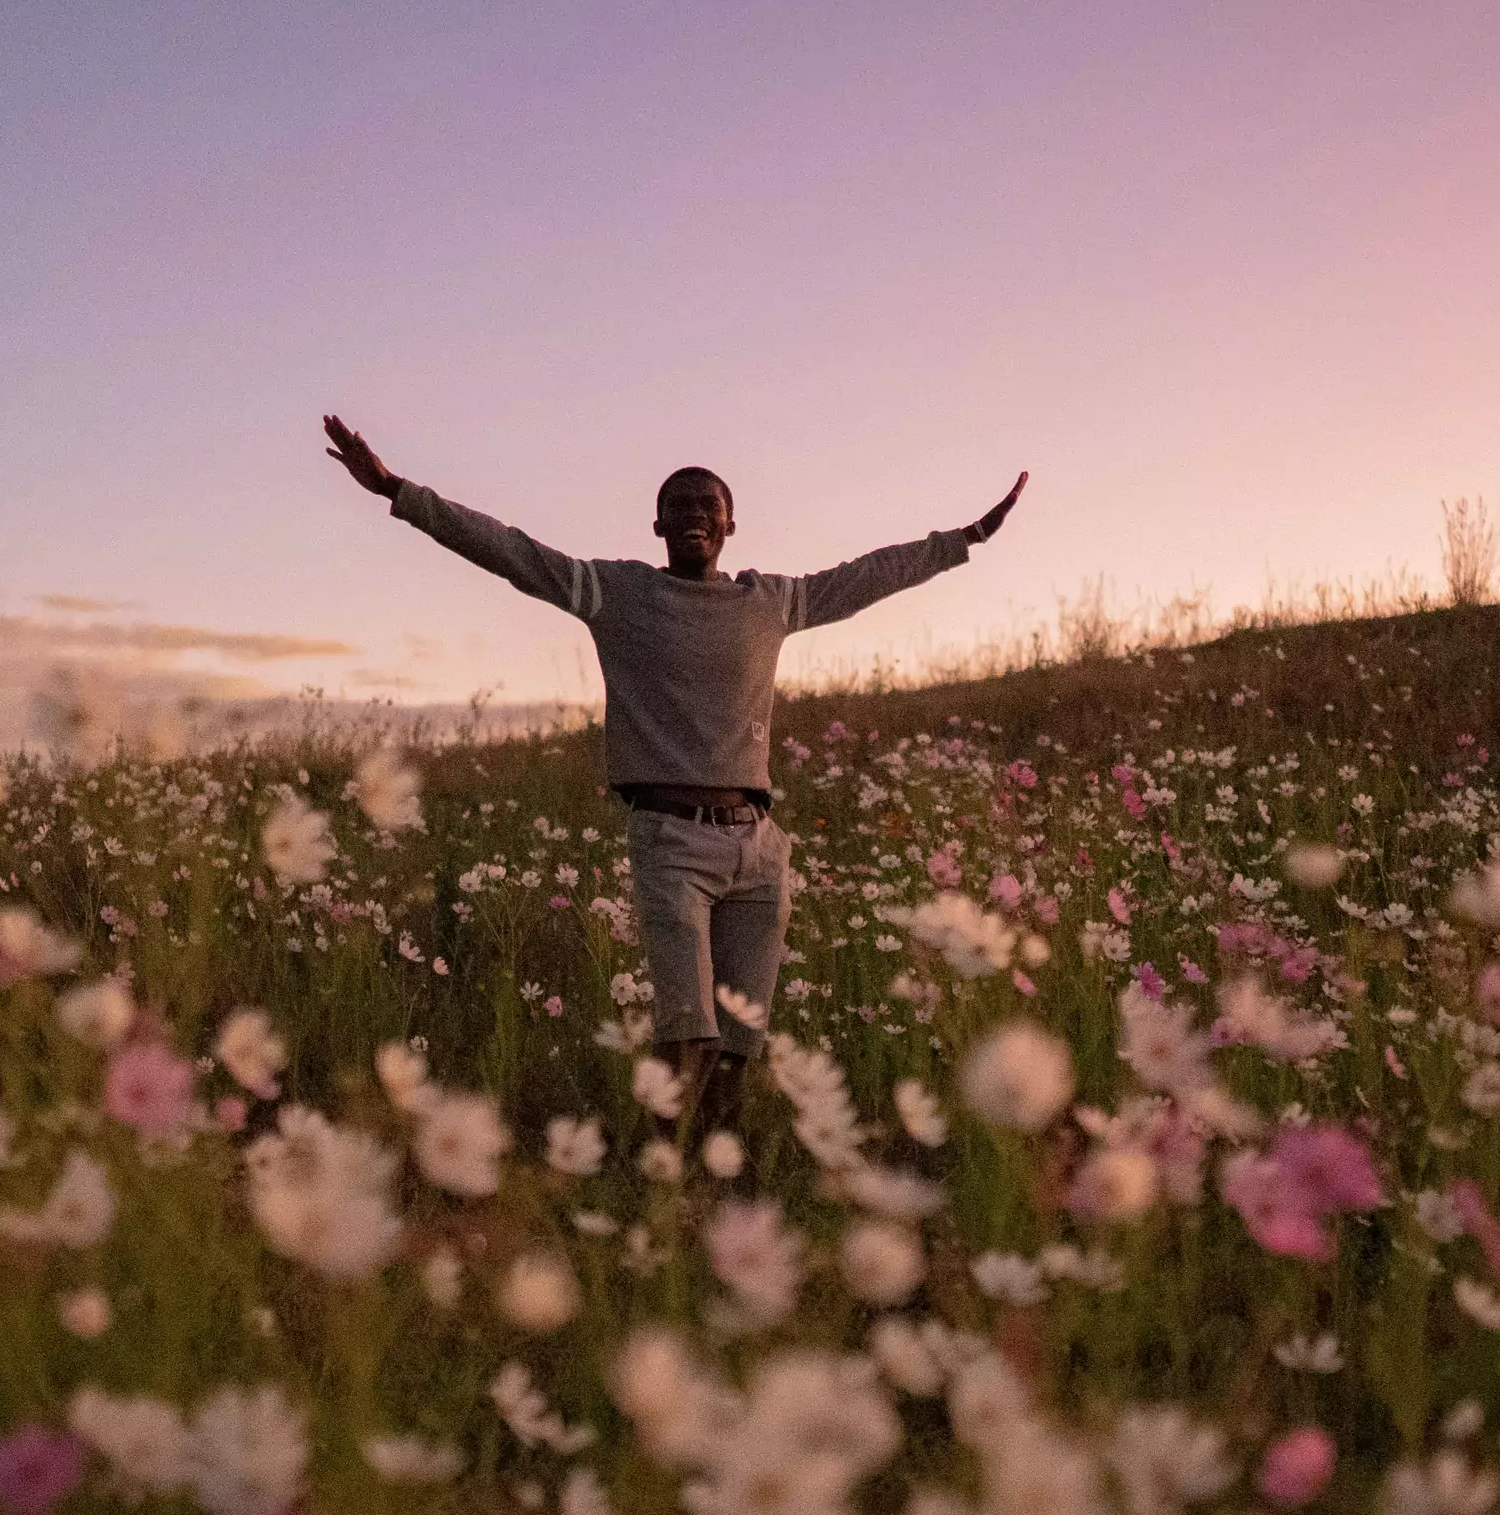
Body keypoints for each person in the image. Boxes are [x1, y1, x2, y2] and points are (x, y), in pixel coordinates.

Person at [321, 413, 1025, 1129]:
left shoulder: (769, 602)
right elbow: (510, 550)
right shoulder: (617, 593)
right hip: (670, 843)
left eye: (707, 505)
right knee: (686, 1033)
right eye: (679, 506)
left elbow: (864, 576)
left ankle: (713, 1176)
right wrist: (394, 489)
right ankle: (660, 1176)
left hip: (759, 848)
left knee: (739, 1041)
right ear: (656, 525)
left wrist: (960, 541)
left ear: (730, 525)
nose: (694, 516)